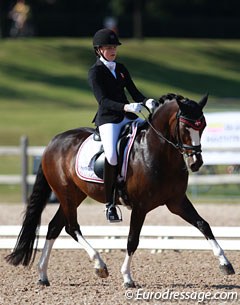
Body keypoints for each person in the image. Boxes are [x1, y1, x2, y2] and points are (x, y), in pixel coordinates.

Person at [88, 28, 157, 222]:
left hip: (128, 115)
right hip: (109, 119)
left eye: (114, 47)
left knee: (149, 135)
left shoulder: (121, 68)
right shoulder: (95, 72)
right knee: (111, 155)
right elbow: (103, 101)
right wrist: (126, 106)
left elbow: (134, 92)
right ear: (99, 50)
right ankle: (109, 203)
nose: (113, 50)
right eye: (108, 47)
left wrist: (147, 101)